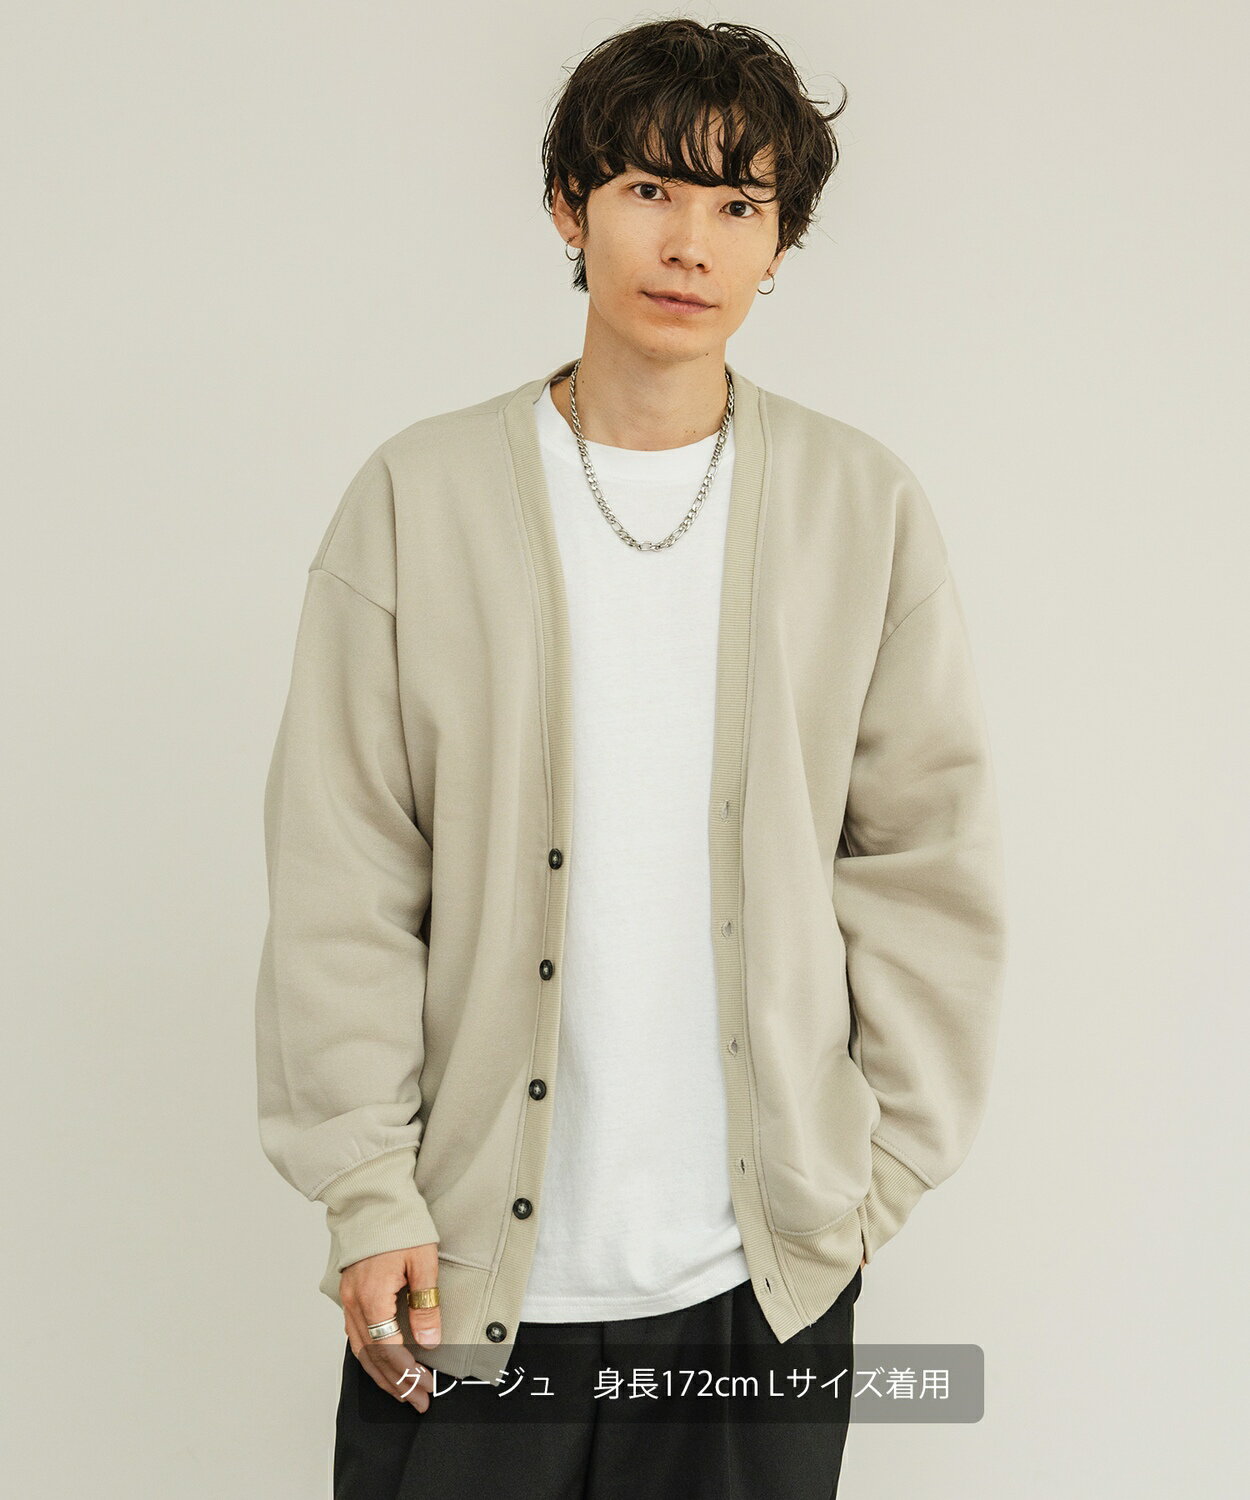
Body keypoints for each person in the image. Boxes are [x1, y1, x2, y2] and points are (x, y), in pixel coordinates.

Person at [254, 18, 1006, 1499]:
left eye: (738, 204)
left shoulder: (860, 506)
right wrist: (367, 1189)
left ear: (779, 244)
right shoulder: (417, 497)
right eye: (650, 189)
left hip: (758, 1287)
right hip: (463, 1277)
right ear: (569, 207)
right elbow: (344, 866)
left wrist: (878, 1180)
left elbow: (926, 857)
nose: (689, 244)